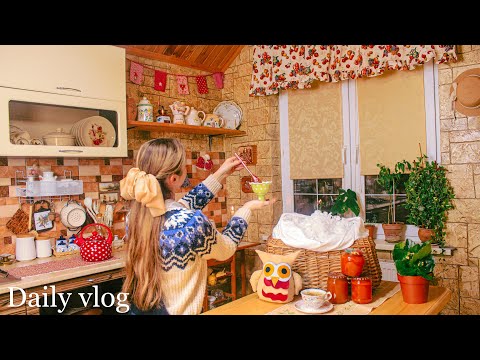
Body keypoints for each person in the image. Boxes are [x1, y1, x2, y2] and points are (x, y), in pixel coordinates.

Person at [120, 138, 273, 315]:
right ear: (174, 179)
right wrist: (247, 208)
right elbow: (227, 248)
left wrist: (221, 173)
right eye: (184, 165)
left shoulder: (134, 217)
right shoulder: (190, 223)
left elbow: (181, 207)